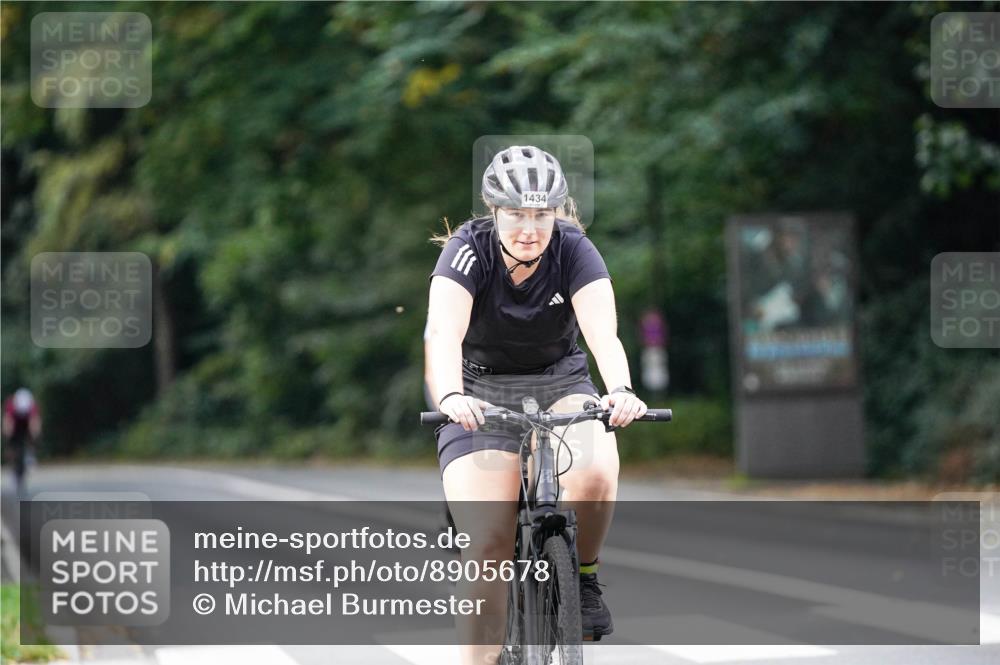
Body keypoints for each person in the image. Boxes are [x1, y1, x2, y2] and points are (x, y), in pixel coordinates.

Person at [424, 145, 647, 664]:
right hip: (479, 392)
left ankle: (584, 577)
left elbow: (603, 335)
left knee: (594, 471)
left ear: (557, 213)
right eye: (517, 214)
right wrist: (451, 395)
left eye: (542, 214)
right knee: (488, 546)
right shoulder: (467, 250)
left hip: (560, 381)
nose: (530, 228)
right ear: (494, 211)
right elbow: (441, 334)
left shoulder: (574, 249)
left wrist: (622, 389)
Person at [3, 388, 42, 496]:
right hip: (15, 426)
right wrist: (8, 437)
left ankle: (30, 455)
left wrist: (34, 436)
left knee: (33, 436)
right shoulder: (10, 405)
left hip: (26, 425)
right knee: (13, 447)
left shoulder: (32, 406)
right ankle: (13, 469)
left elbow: (35, 422)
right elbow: (7, 423)